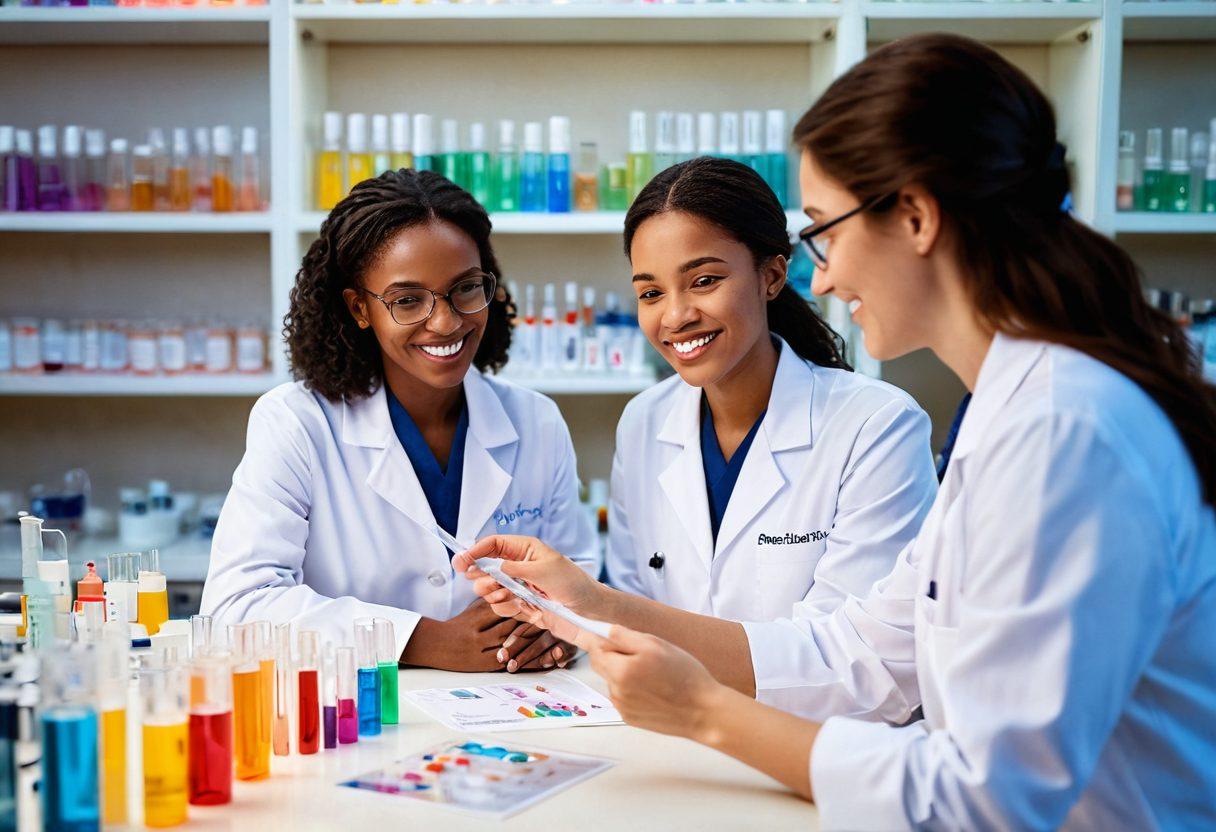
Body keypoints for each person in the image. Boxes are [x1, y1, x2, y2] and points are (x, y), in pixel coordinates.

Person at [456, 34, 1216, 829]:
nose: (822, 277)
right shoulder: (1013, 405)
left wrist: (704, 713)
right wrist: (593, 602)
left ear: (916, 216)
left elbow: (987, 796)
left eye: (824, 231)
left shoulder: (1064, 429)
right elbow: (864, 655)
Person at [497, 158, 938, 689]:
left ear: (772, 275)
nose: (676, 316)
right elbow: (635, 615)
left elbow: (853, 666)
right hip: (669, 729)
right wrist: (566, 617)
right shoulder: (644, 421)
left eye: (704, 281)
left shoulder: (877, 426)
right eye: (650, 293)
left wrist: (598, 605)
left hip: (814, 748)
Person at [201, 169, 598, 671]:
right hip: (360, 715)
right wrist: (423, 640)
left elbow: (579, 573)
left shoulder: (536, 421)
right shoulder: (297, 423)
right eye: (408, 300)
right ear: (359, 308)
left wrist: (558, 630)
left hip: (514, 706)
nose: (447, 322)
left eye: (465, 289)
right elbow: (237, 607)